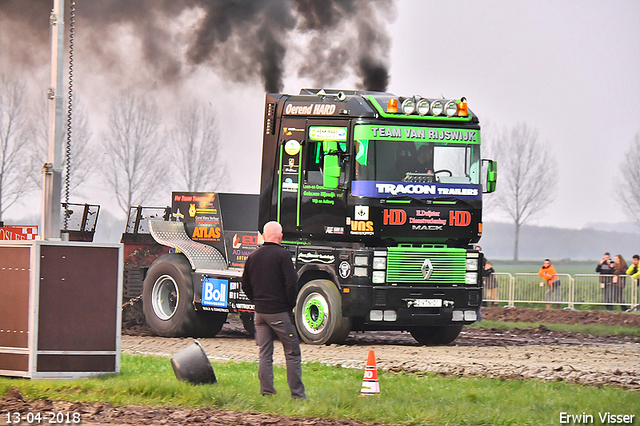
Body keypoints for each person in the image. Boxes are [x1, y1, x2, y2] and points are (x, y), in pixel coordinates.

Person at [241, 221, 307, 399]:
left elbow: (245, 285)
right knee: (292, 352)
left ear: (263, 235)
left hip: (260, 314)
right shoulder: (283, 255)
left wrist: (257, 301)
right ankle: (298, 395)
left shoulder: (253, 256)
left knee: (264, 353)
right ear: (280, 236)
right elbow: (291, 284)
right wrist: (288, 304)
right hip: (278, 312)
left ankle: (267, 392)